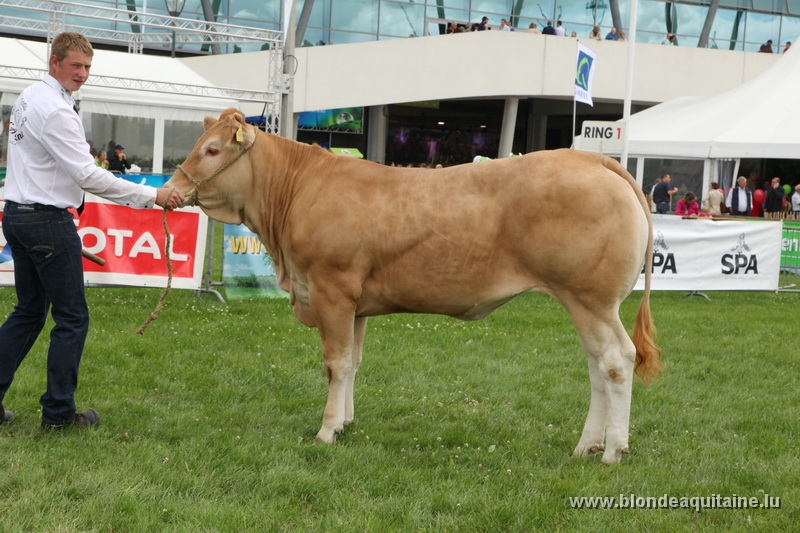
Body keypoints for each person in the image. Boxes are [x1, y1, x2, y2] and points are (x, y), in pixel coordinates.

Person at [0, 32, 184, 429]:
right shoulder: (55, 109)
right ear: (54, 62)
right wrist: (152, 195)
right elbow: (87, 175)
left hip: (18, 215)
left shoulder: (31, 96)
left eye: (87, 67)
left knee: (29, 312)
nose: (82, 73)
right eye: (75, 65)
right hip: (46, 220)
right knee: (71, 318)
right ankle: (58, 416)